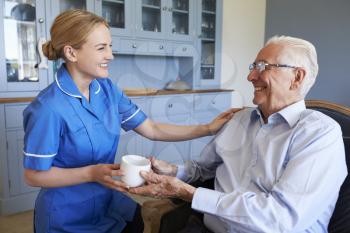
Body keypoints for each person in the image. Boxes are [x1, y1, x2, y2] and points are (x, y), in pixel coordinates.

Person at [23, 9, 237, 233]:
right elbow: (33, 175)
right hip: (67, 215)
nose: (111, 55)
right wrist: (91, 173)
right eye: (101, 48)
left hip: (108, 201)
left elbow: (152, 129)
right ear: (71, 53)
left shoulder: (106, 90)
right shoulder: (47, 108)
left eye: (110, 46)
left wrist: (207, 128)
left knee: (137, 222)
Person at [130, 35, 348, 233]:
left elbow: (280, 220)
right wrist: (173, 171)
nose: (250, 76)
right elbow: (202, 169)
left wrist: (190, 194)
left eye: (263, 66)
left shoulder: (319, 134)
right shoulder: (239, 119)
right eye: (254, 66)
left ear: (297, 77)